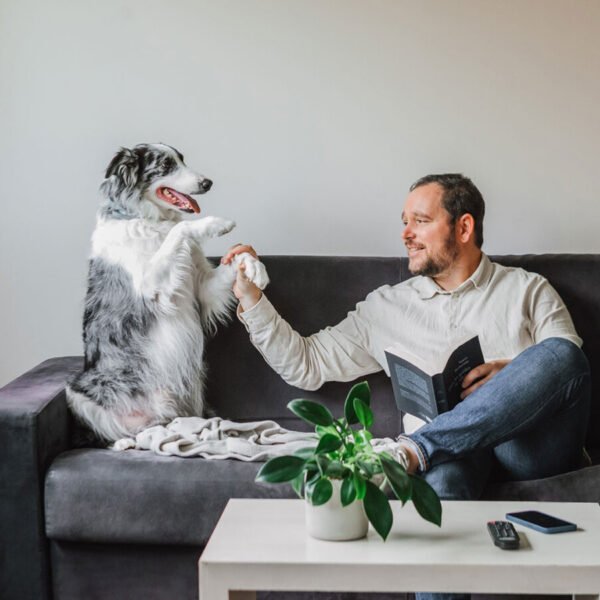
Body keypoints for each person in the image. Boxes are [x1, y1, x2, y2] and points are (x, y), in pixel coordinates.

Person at [222, 174, 590, 599]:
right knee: (444, 487)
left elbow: (565, 368)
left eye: (420, 221)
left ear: (463, 227)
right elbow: (306, 364)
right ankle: (426, 450)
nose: (406, 234)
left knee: (562, 353)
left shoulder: (527, 289)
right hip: (448, 461)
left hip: (526, 450)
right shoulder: (387, 307)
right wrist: (250, 298)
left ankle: (413, 450)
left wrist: (509, 371)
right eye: (404, 222)